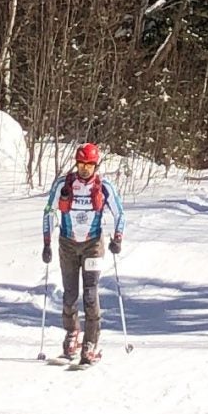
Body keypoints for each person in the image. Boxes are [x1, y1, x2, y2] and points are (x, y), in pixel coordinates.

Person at [41, 141, 124, 366]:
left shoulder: (104, 186)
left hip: (93, 245)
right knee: (69, 295)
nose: (85, 168)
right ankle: (71, 335)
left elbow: (120, 214)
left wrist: (117, 239)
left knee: (90, 294)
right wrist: (46, 243)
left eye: (89, 164)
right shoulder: (63, 184)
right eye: (81, 163)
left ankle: (90, 342)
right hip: (67, 244)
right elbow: (48, 212)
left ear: (96, 165)